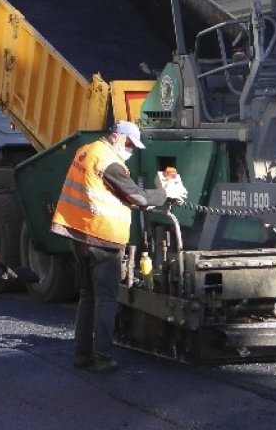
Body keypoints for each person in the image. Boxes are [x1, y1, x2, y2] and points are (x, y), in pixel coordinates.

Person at [51, 120, 187, 373]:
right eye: (127, 143)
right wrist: (166, 193)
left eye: (133, 146)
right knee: (106, 300)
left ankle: (81, 355)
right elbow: (137, 197)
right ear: (115, 136)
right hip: (102, 237)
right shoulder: (109, 161)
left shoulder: (86, 150)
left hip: (79, 234)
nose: (129, 149)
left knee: (87, 297)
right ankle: (102, 357)